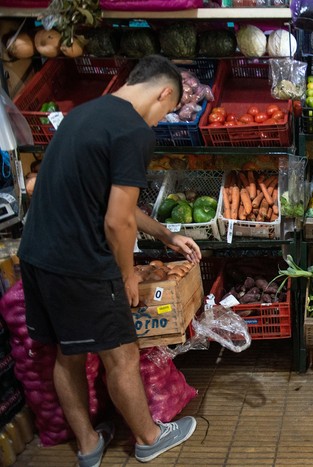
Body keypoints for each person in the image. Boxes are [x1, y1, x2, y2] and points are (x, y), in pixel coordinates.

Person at [17, 55, 201, 465]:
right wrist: (125, 278)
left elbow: (113, 201)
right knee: (122, 354)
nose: (159, 121)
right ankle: (150, 439)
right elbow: (117, 222)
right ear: (164, 92)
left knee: (69, 353)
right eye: (166, 113)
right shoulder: (133, 131)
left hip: (37, 254)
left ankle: (88, 446)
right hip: (80, 262)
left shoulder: (86, 115)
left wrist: (166, 234)